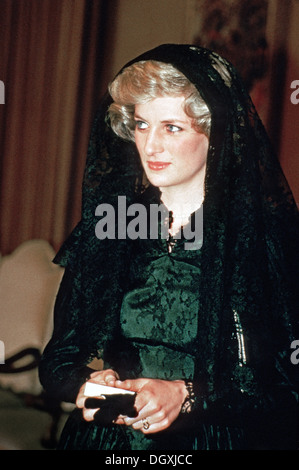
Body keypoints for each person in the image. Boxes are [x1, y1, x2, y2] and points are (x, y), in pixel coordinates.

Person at [39, 44, 299, 450]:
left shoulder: (264, 242)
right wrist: (89, 383)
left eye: (172, 128)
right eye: (142, 125)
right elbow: (57, 362)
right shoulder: (112, 226)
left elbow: (288, 387)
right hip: (106, 442)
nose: (151, 146)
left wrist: (188, 394)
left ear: (215, 134)